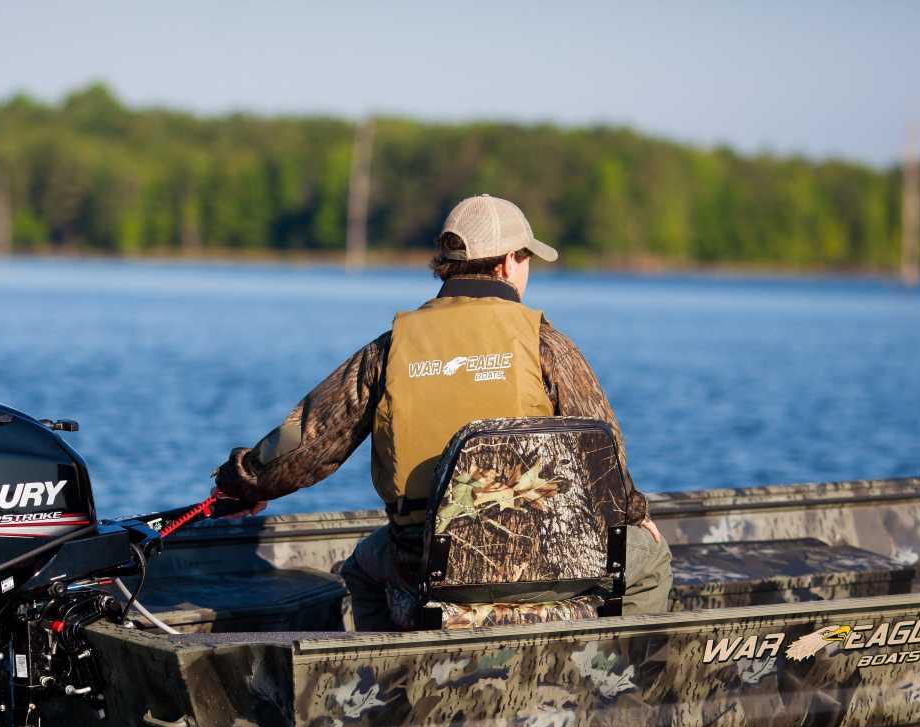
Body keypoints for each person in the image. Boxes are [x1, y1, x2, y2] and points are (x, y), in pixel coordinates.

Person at [213, 194, 672, 629]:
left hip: (424, 566)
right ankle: (612, 669)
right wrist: (633, 513)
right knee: (650, 559)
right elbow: (604, 456)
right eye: (526, 258)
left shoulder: (389, 350)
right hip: (542, 558)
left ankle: (388, 673)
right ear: (508, 262)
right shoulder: (545, 344)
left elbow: (306, 440)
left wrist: (245, 483)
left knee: (360, 571)